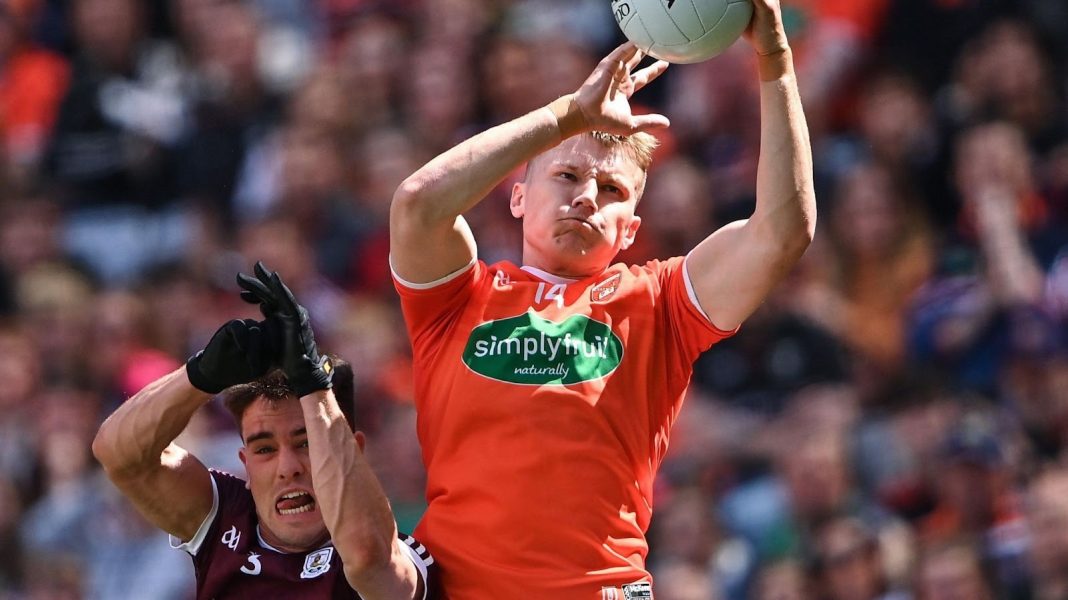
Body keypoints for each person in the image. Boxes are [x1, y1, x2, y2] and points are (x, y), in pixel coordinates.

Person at [388, 0, 815, 596]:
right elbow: (416, 204)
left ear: (630, 230)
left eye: (612, 189)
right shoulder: (459, 296)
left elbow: (782, 231)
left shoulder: (660, 303)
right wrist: (567, 117)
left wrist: (774, 59)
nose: (588, 196)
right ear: (517, 196)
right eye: (565, 175)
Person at [92, 263, 438, 599]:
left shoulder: (402, 557)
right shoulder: (225, 518)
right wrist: (200, 376)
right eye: (264, 449)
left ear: (355, 451)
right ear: (244, 461)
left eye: (306, 444)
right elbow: (119, 455)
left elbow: (366, 558)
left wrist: (311, 384)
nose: (288, 467)